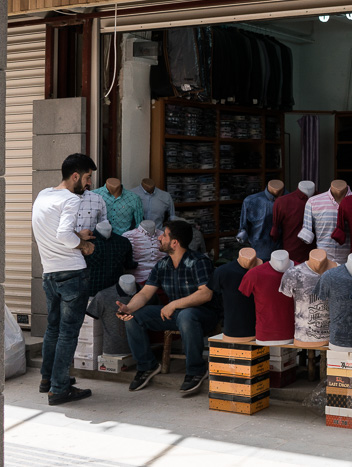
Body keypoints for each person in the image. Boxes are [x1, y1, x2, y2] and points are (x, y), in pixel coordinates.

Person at [116, 219, 219, 397]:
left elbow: (205, 294)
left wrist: (173, 304)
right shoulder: (162, 265)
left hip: (203, 316)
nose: (159, 238)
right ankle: (147, 366)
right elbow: (145, 293)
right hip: (176, 316)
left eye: (163, 235)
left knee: (186, 315)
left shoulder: (199, 261)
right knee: (135, 317)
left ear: (174, 242)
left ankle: (196, 370)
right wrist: (129, 308)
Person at [32, 153, 98, 405]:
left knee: (53, 328)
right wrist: (82, 244)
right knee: (69, 333)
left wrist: (73, 234)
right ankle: (59, 389)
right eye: (88, 177)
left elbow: (50, 231)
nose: (89, 183)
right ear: (75, 176)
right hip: (71, 273)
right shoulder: (71, 199)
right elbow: (63, 235)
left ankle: (47, 379)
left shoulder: (43, 195)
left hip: (49, 272)